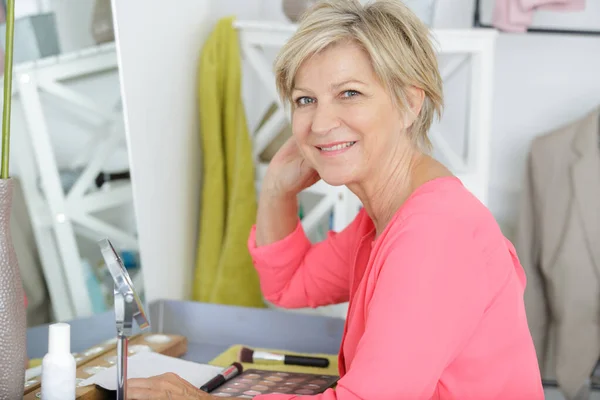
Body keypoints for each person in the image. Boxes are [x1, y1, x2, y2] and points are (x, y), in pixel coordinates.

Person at [127, 0, 545, 399]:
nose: (321, 123)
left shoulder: (435, 235)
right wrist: (278, 189)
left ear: (408, 104)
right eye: (305, 100)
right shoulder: (389, 214)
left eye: (349, 93)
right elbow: (288, 285)